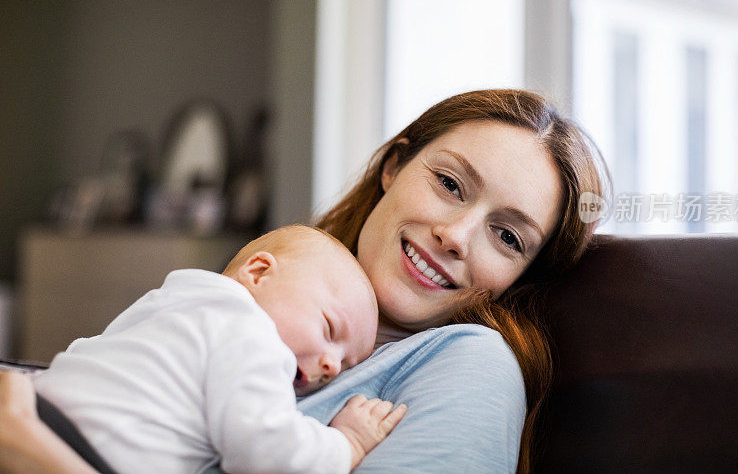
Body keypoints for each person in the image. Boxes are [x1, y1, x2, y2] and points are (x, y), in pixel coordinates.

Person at [0, 89, 608, 474]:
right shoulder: (263, 300)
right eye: (450, 184)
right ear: (393, 168)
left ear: (519, 279)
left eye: (508, 237)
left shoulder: (472, 365)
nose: (456, 235)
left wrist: (36, 454)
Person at [33, 225, 406, 474]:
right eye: (329, 329)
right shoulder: (251, 332)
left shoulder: (176, 298)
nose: (331, 365)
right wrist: (347, 443)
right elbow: (264, 450)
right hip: (86, 451)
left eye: (345, 364)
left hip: (43, 410)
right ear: (258, 272)